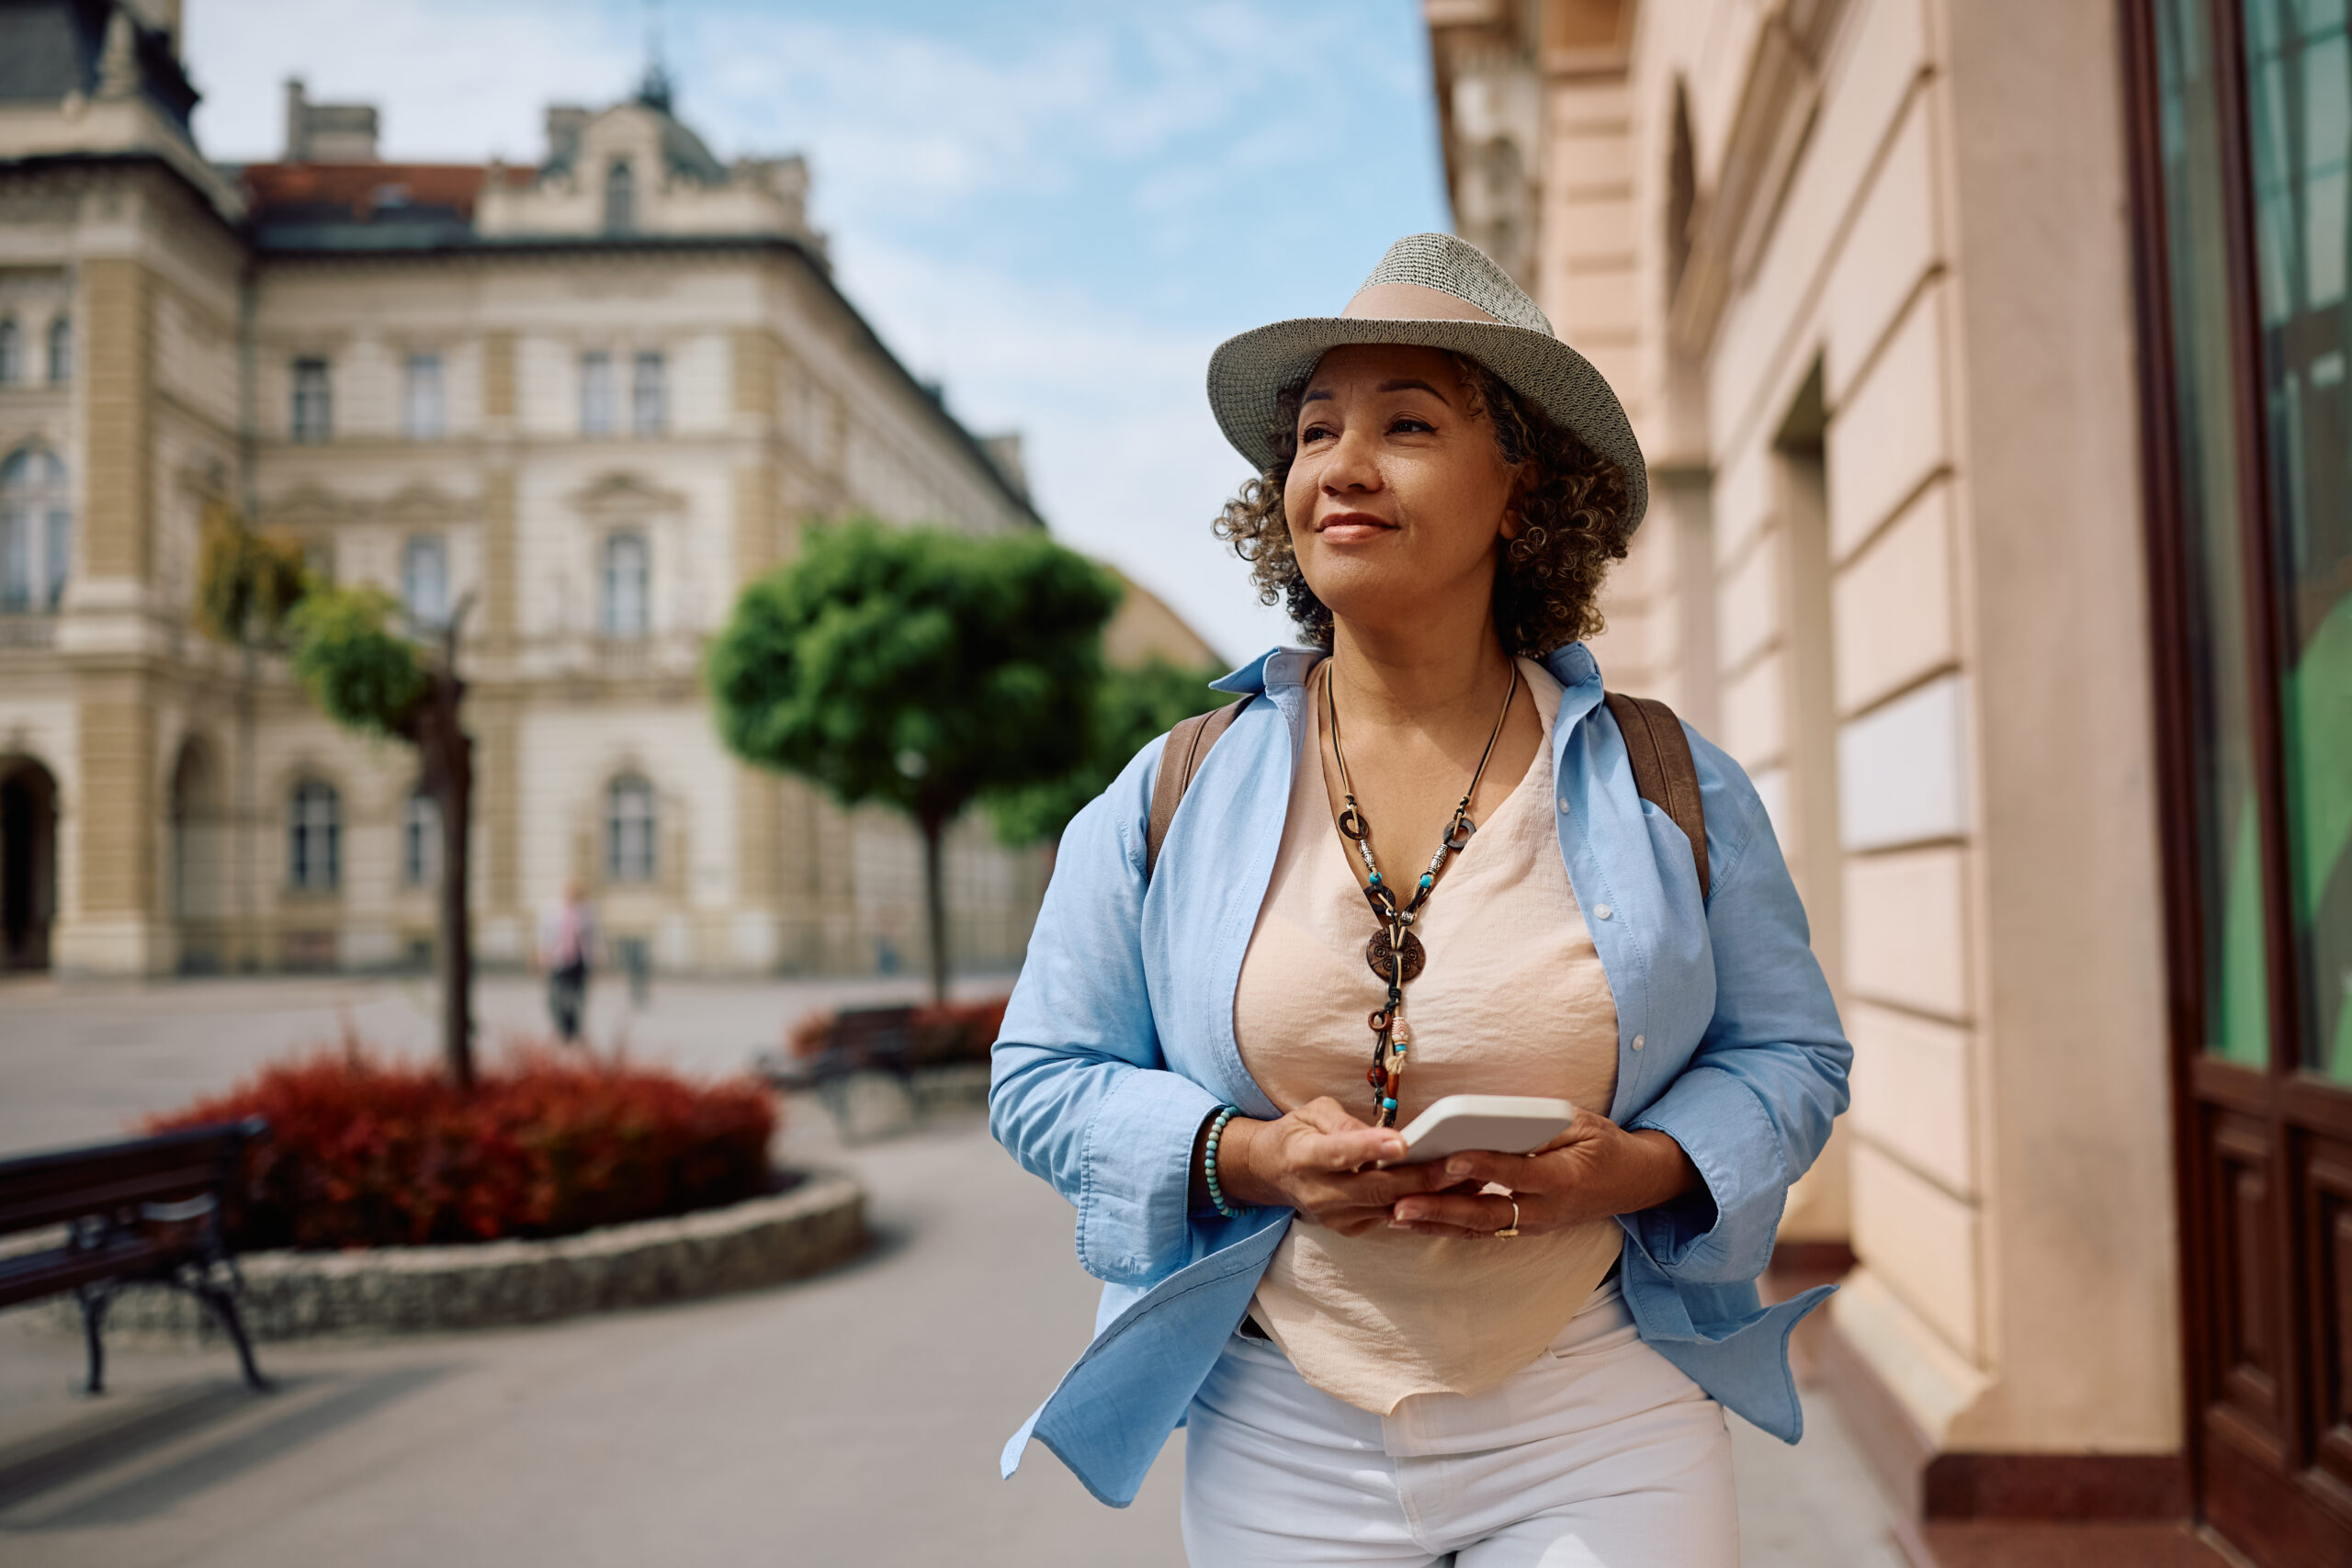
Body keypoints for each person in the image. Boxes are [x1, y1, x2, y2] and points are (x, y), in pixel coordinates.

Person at [989, 233, 1850, 1566]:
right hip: (1280, 1420)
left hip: (1598, 1404)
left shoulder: (1672, 781)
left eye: (1407, 422)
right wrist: (1244, 1151)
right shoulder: (1173, 788)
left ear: (1521, 489)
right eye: (1316, 428)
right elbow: (1041, 1072)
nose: (1341, 462)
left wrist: (1635, 1167)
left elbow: (1791, 1054)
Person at [537, 879, 595, 1044]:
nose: (571, 896)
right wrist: (542, 955)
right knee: (555, 998)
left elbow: (591, 938)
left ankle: (572, 1029)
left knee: (575, 998)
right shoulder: (552, 910)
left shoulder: (585, 912)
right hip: (558, 960)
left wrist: (592, 960)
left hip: (578, 961)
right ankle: (563, 1027)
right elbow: (543, 934)